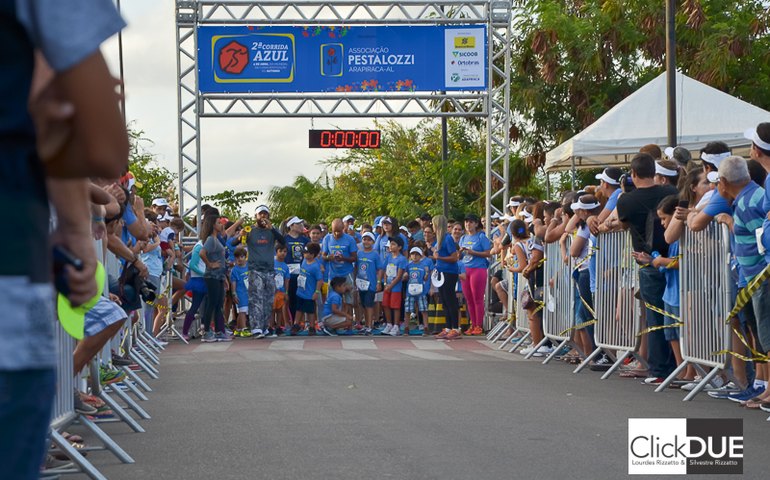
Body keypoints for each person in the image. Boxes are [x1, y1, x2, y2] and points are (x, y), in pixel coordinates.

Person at [617, 153, 678, 385]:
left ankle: (660, 369)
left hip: (648, 262)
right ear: (655, 172)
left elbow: (622, 223)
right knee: (674, 315)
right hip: (674, 258)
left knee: (655, 317)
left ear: (633, 174)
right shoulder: (671, 193)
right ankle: (678, 366)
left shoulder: (626, 200)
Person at [714, 155, 769, 403]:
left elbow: (762, 240)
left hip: (759, 278)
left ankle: (766, 388)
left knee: (763, 334)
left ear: (724, 182)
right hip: (752, 278)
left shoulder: (748, 203)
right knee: (757, 333)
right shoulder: (750, 197)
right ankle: (764, 386)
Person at [652, 195, 696, 382]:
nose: (662, 223)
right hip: (670, 292)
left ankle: (691, 370)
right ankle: (681, 368)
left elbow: (686, 260)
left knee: (684, 333)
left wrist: (663, 261)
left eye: (664, 218)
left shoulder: (682, 236)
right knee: (671, 334)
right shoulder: (672, 239)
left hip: (682, 291)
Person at [246, 205, 286, 338]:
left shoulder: (271, 231)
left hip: (269, 270)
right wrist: (241, 235)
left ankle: (265, 328)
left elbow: (283, 242)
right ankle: (256, 328)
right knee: (256, 299)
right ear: (256, 216)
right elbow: (234, 243)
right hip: (255, 269)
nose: (263, 216)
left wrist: (272, 229)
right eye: (260, 214)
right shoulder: (250, 231)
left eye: (265, 214)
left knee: (268, 300)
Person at [199, 213, 231, 343]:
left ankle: (219, 331)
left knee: (218, 304)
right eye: (218, 223)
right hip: (212, 276)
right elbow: (202, 253)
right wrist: (210, 264)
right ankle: (206, 331)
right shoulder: (210, 240)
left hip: (219, 275)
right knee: (212, 303)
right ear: (212, 225)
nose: (221, 225)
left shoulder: (216, 239)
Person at [458, 214, 492, 335]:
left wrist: (473, 252)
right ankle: (472, 324)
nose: (468, 224)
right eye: (466, 222)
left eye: (471, 222)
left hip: (478, 269)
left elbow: (489, 253)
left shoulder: (481, 237)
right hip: (465, 269)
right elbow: (459, 256)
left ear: (476, 224)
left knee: (477, 298)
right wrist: (460, 253)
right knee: (469, 299)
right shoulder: (463, 238)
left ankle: (479, 325)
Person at [432, 215, 461, 340]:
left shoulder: (447, 239)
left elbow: (454, 257)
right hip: (441, 272)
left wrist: (439, 258)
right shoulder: (438, 240)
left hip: (449, 272)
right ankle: (448, 327)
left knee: (450, 300)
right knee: (444, 300)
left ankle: (455, 327)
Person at [322, 219, 358, 313]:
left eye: (339, 231)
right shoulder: (327, 238)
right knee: (332, 299)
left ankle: (349, 323)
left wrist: (344, 258)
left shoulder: (349, 239)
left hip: (347, 273)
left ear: (343, 228)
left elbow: (354, 258)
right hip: (333, 274)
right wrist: (329, 257)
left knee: (349, 300)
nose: (337, 233)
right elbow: (323, 255)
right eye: (335, 231)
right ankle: (334, 322)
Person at [356, 232, 383, 335]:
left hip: (371, 284)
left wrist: (378, 282)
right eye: (364, 239)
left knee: (369, 305)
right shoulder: (359, 253)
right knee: (363, 304)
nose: (366, 242)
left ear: (373, 241)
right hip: (360, 283)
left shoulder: (375, 254)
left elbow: (380, 269)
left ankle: (370, 326)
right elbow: (356, 267)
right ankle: (366, 325)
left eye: (369, 240)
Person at [381, 236, 408, 336]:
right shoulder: (388, 257)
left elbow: (399, 275)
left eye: (393, 244)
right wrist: (384, 283)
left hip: (395, 287)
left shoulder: (402, 259)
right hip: (387, 285)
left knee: (395, 306)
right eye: (390, 244)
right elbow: (385, 270)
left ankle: (396, 325)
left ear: (399, 247)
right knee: (385, 304)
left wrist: (391, 285)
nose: (391, 246)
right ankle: (389, 324)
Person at [283, 216, 308, 321]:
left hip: (301, 273)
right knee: (290, 298)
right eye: (298, 224)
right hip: (289, 273)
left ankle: (300, 322)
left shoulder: (305, 239)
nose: (301, 226)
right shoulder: (284, 239)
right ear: (291, 226)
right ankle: (290, 321)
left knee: (301, 297)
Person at [295, 243, 324, 335]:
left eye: (308, 253)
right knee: (299, 309)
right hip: (301, 291)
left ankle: (312, 326)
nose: (305, 255)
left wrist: (316, 292)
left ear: (313, 254)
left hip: (309, 293)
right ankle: (296, 324)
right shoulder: (304, 261)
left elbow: (320, 280)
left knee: (310, 310)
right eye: (304, 253)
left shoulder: (315, 266)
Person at [405, 247, 430, 335]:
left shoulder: (423, 266)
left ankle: (426, 327)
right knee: (408, 309)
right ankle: (406, 328)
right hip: (410, 290)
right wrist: (405, 275)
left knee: (423, 309)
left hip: (421, 290)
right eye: (413, 254)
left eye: (417, 254)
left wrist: (427, 274)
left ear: (420, 256)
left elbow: (425, 278)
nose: (414, 256)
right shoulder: (408, 266)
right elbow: (406, 276)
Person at [230, 246, 250, 337]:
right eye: (237, 257)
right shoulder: (235, 270)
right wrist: (234, 294)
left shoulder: (248, 267)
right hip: (240, 293)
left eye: (241, 257)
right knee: (242, 311)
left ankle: (238, 328)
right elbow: (233, 283)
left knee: (245, 311)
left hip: (248, 292)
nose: (239, 259)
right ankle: (244, 328)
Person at [273, 244, 291, 336]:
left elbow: (286, 280)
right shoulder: (272, 262)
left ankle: (278, 326)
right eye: (280, 251)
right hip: (272, 291)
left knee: (279, 310)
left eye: (284, 251)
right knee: (271, 310)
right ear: (276, 252)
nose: (283, 253)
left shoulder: (285, 266)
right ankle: (271, 326)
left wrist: (286, 292)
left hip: (281, 291)